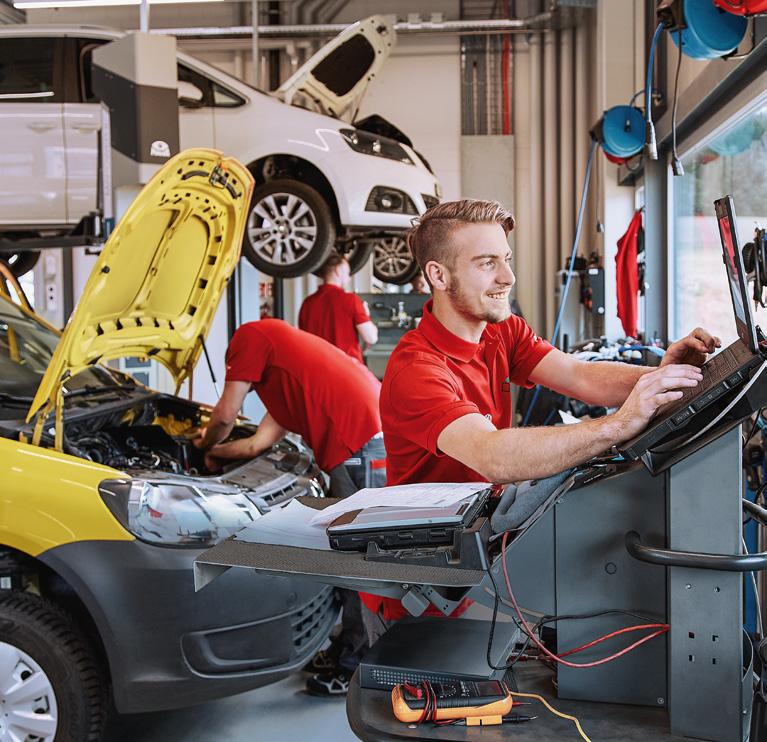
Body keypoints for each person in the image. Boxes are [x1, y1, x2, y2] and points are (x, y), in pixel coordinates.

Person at [361, 198, 719, 632]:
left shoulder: (501, 329)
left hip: (479, 560)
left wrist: (664, 374)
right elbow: (492, 455)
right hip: (423, 591)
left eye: (506, 260)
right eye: (487, 263)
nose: (507, 278)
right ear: (438, 275)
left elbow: (579, 374)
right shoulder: (416, 369)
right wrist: (618, 424)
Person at [194, 319, 385, 696]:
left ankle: (356, 668)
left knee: (358, 564)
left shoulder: (251, 335)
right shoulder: (288, 378)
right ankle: (347, 647)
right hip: (363, 444)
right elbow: (254, 445)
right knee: (347, 558)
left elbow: (224, 416)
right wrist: (216, 455)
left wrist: (202, 445)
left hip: (358, 447)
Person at [298, 254, 378, 363]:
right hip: (347, 372)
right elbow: (371, 338)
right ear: (338, 270)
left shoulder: (307, 303)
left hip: (316, 372)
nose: (349, 278)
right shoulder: (351, 300)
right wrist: (366, 314)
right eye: (347, 273)